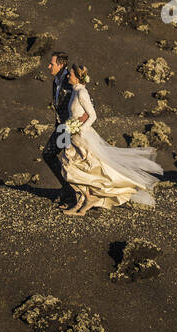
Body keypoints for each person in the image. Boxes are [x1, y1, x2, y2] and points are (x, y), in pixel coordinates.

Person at [59, 62, 163, 216]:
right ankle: (81, 201)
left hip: (82, 137)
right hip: (73, 135)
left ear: (78, 78)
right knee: (72, 167)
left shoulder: (82, 93)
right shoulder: (75, 91)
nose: (68, 76)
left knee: (77, 167)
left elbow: (93, 115)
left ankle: (87, 199)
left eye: (71, 75)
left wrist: (80, 129)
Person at [40, 51, 77, 209]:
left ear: (61, 64)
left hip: (68, 128)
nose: (48, 66)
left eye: (52, 64)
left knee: (61, 158)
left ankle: (71, 194)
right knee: (52, 155)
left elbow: (85, 101)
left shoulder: (71, 79)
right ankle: (69, 190)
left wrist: (74, 124)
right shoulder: (56, 80)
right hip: (61, 126)